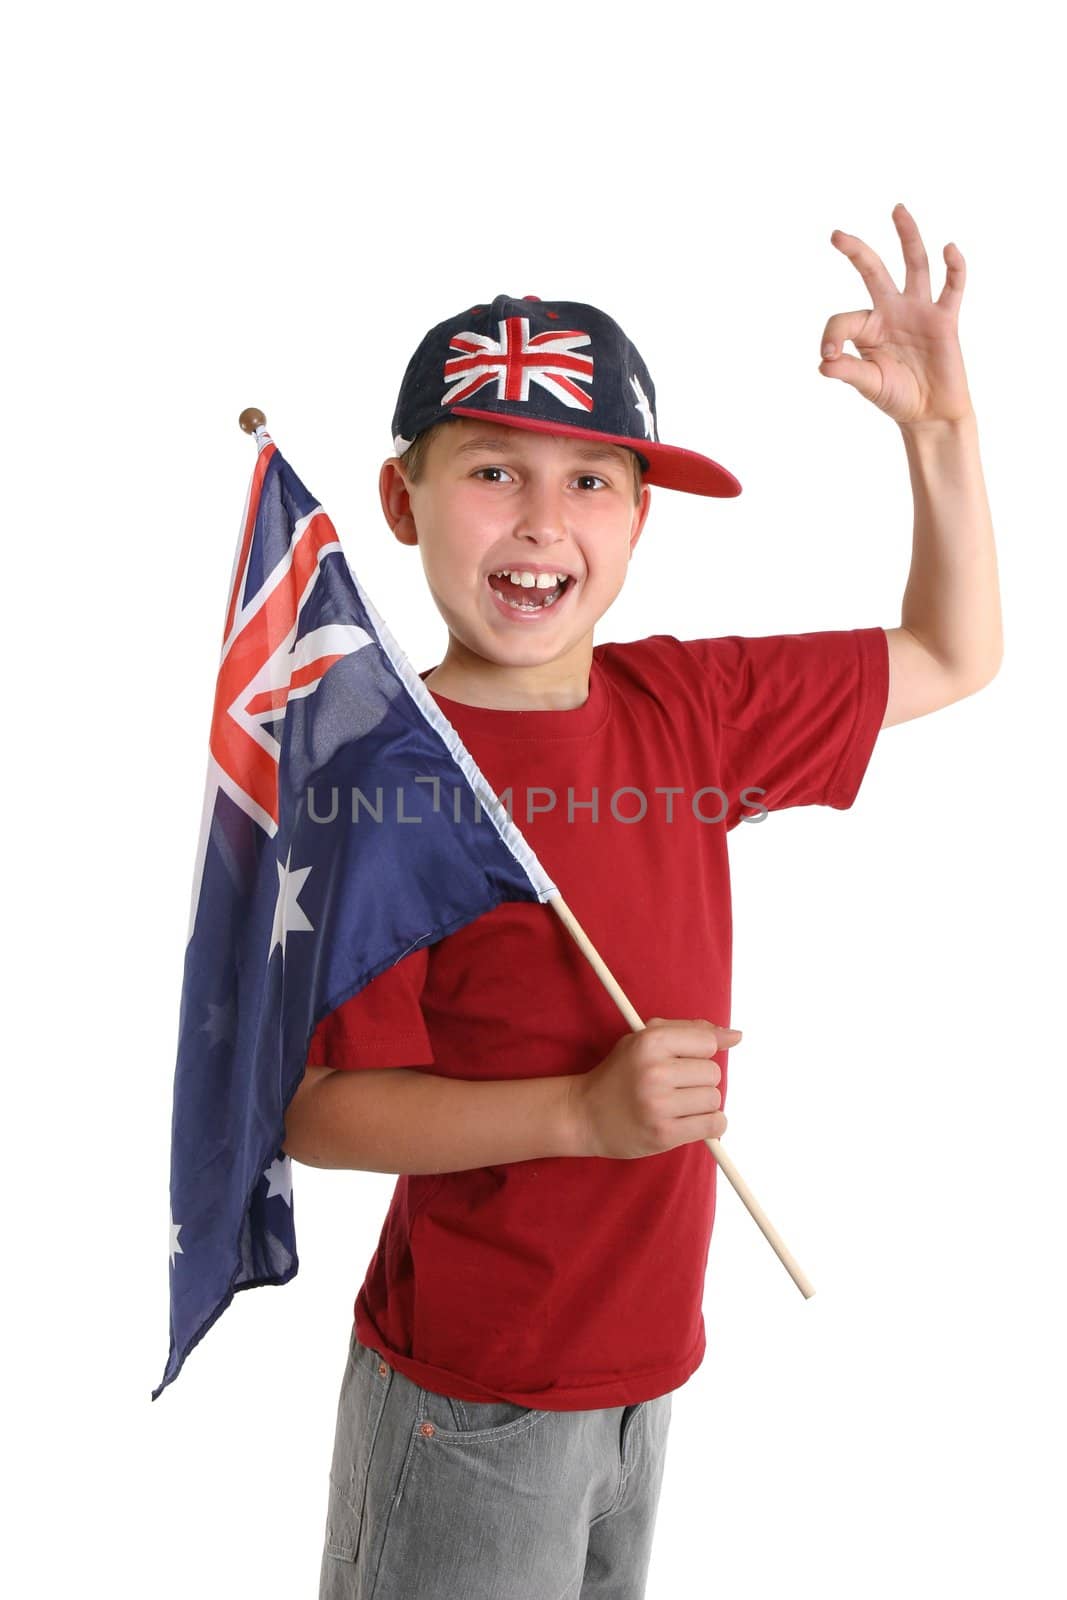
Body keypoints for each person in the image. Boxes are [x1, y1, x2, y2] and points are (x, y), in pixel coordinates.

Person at [284, 203, 1002, 1600]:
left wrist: (941, 433)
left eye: (593, 481)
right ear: (403, 500)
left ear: (640, 514)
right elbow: (321, 1109)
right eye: (494, 470)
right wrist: (581, 1113)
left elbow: (952, 651)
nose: (544, 522)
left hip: (644, 1375)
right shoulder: (382, 777)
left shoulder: (688, 706)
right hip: (470, 1402)